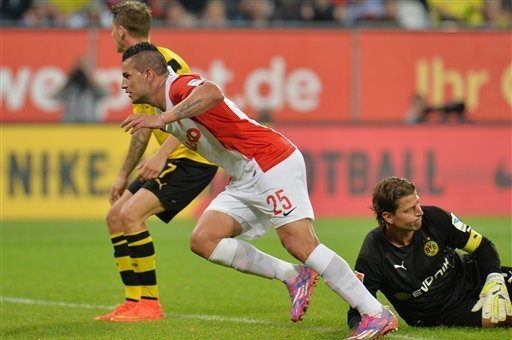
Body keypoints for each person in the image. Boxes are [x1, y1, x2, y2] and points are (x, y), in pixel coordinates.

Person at [119, 41, 399, 338]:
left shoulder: (177, 86)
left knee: (300, 243)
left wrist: (162, 120)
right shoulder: (162, 106)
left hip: (269, 160)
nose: (123, 84)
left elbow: (212, 92)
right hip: (245, 175)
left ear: (149, 74)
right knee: (204, 239)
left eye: (127, 76)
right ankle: (293, 276)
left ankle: (375, 313)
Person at [93, 1, 218, 322]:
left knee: (132, 215)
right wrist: (123, 175)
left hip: (191, 158)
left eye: (111, 32)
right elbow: (141, 131)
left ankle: (150, 305)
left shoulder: (164, 63)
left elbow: (191, 107)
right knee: (115, 216)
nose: (111, 37)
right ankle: (133, 302)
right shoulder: (136, 68)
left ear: (121, 31)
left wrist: (162, 156)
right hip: (171, 157)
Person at [347, 176, 512, 329]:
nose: (419, 211)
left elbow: (482, 246)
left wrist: (494, 278)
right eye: (410, 209)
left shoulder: (435, 218)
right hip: (444, 312)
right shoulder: (373, 253)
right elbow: (356, 311)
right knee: (504, 315)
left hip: (472, 276)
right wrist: (364, 329)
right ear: (388, 217)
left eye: (417, 203)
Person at [55, 56, 107, 123]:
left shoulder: (92, 87)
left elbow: (105, 94)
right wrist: (69, 80)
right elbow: (55, 97)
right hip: (70, 124)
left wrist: (90, 77)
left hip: (89, 124)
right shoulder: (70, 86)